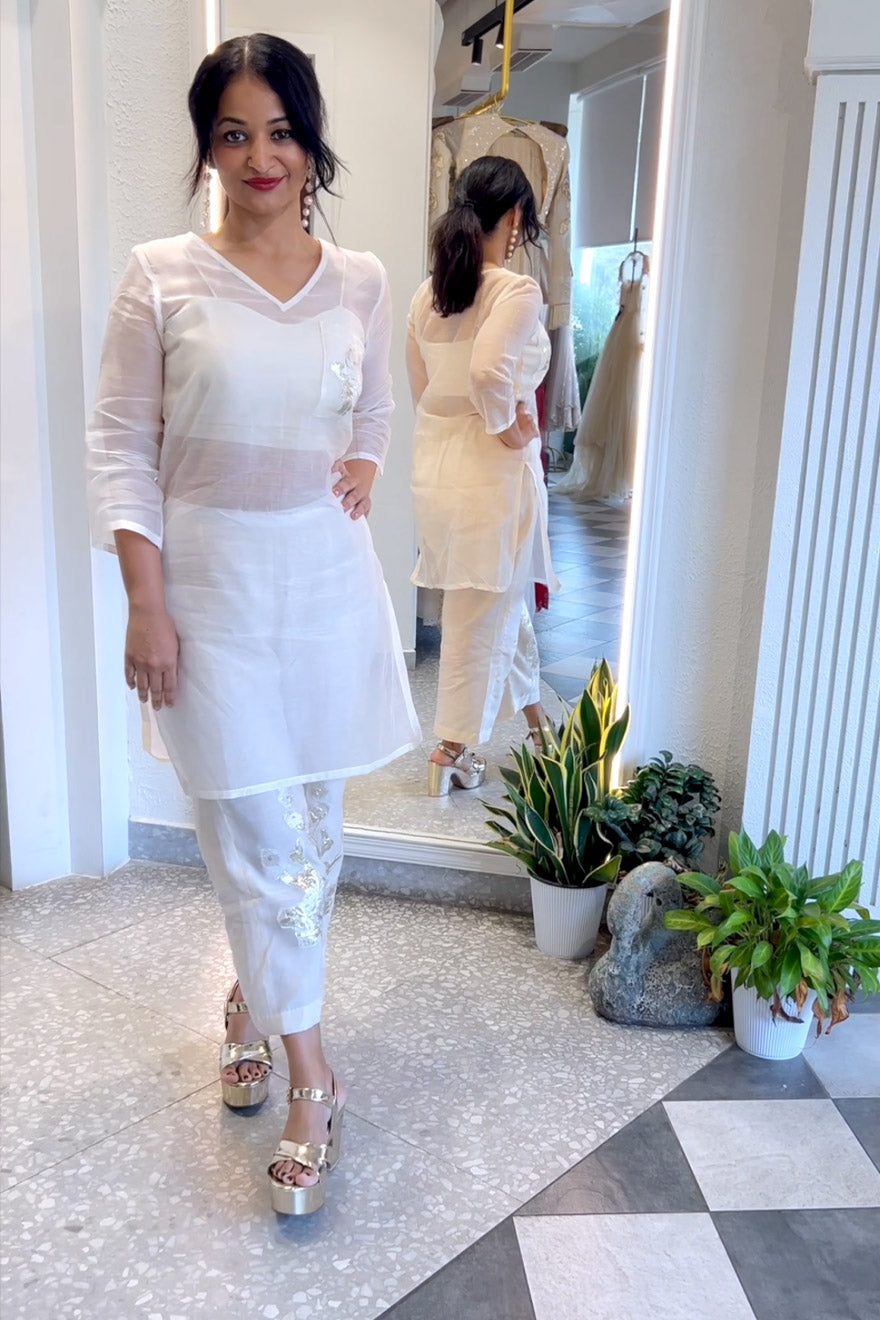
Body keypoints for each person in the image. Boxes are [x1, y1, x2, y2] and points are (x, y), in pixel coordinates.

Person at [86, 33, 420, 1216]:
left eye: (280, 131)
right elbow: (120, 447)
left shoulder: (361, 279)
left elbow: (374, 403)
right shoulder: (162, 276)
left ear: (311, 143)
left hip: (323, 592)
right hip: (211, 599)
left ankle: (248, 998)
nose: (259, 155)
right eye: (234, 133)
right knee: (259, 839)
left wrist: (363, 463)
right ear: (207, 148)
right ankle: (315, 1082)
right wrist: (145, 602)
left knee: (312, 836)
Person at [407, 156, 560, 796]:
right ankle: (451, 750)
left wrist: (480, 421)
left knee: (493, 601)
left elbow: (423, 390)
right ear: (516, 216)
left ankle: (538, 726)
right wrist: (507, 428)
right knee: (479, 617)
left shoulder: (428, 293)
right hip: (493, 476)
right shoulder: (514, 291)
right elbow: (488, 374)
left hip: (438, 472)